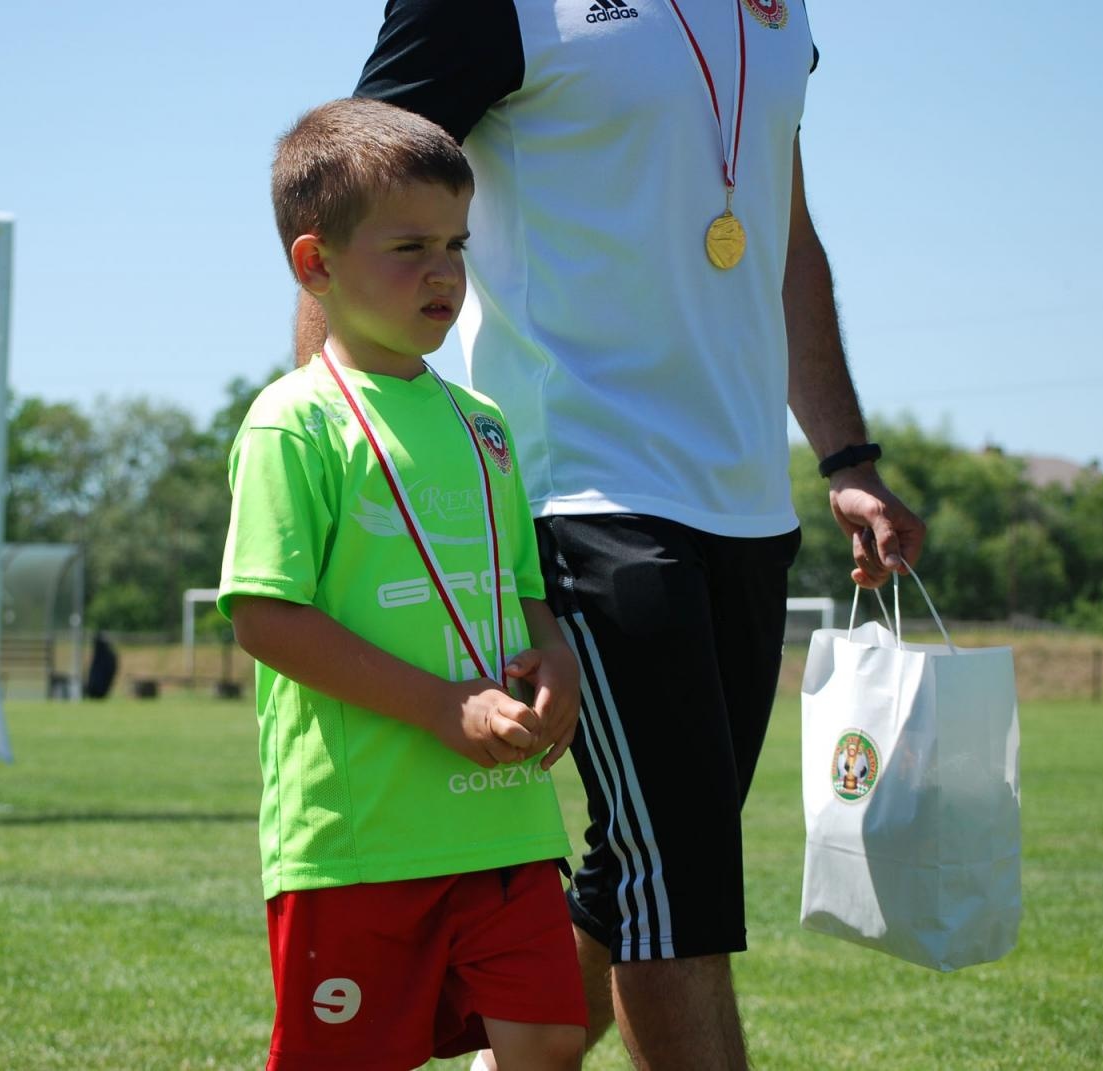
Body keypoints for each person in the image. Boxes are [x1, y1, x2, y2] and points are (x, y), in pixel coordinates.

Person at [292, 4, 928, 1067]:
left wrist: (844, 458)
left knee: (643, 868)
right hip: (580, 495)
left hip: (743, 504)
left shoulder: (777, 12)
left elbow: (784, 235)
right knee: (672, 891)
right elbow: (347, 210)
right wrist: (319, 441)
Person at [219, 97, 589, 1070]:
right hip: (358, 841)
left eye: (458, 244)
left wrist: (556, 661)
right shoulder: (293, 425)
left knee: (550, 1042)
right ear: (316, 263)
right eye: (410, 245)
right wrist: (438, 707)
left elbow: (524, 594)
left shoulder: (484, 426)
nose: (445, 272)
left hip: (502, 820)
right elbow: (264, 617)